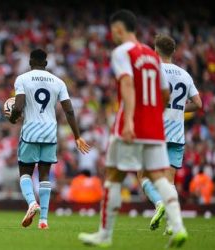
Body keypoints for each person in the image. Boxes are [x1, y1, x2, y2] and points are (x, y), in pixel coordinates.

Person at [78, 10, 187, 248]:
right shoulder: (151, 55)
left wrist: (128, 121)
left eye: (112, 30)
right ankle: (178, 227)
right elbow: (166, 94)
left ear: (118, 28)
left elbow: (126, 83)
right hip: (155, 126)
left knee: (113, 176)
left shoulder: (121, 52)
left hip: (131, 123)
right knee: (159, 177)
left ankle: (104, 234)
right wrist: (152, 113)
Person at [6, 49, 90, 229]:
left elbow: (19, 106)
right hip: (50, 132)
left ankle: (31, 203)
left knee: (25, 172)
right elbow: (69, 110)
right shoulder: (58, 82)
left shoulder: (22, 79)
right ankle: (43, 220)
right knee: (45, 174)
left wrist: (13, 118)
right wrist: (77, 136)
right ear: (46, 63)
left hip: (30, 131)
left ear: (30, 62)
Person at [138, 34, 202, 233]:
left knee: (142, 173)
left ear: (155, 51)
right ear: (173, 52)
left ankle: (158, 203)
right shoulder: (185, 75)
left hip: (155, 131)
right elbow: (198, 104)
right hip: (177, 134)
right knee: (169, 181)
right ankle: (172, 224)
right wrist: (180, 108)